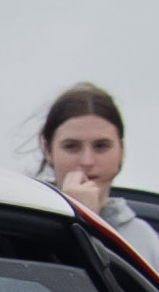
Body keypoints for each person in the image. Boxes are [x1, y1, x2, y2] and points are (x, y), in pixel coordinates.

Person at [32, 83, 144, 233]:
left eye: (101, 146)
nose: (87, 161)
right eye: (71, 146)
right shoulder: (21, 226)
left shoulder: (143, 238)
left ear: (121, 149)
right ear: (47, 150)